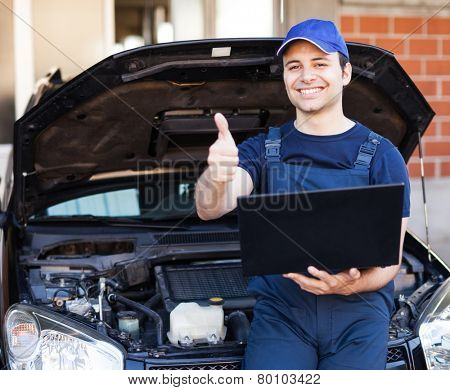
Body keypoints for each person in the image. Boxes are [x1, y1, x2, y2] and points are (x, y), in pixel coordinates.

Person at [195, 19, 410, 369]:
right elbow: (210, 208)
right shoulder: (264, 149)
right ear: (285, 78)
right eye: (294, 66)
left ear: (345, 73)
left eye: (320, 63)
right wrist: (217, 175)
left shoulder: (382, 156)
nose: (306, 75)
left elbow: (390, 262)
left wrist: (346, 285)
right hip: (283, 317)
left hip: (359, 315)